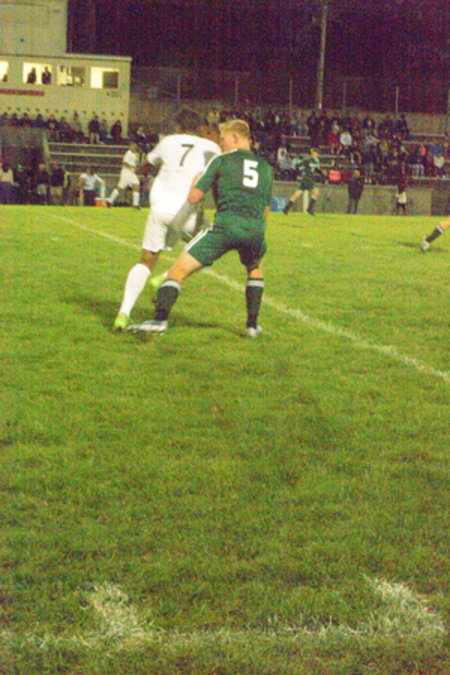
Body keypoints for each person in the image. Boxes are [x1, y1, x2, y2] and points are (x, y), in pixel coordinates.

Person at [126, 118, 273, 338]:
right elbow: (265, 211)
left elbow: (194, 197)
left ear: (235, 137)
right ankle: (252, 326)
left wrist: (196, 183)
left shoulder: (221, 160)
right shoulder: (266, 167)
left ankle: (159, 320)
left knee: (175, 273)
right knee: (254, 268)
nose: (221, 144)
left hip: (224, 228)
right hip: (255, 230)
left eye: (223, 139)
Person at [113, 108, 220, 331]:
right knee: (210, 247)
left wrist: (145, 169)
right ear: (200, 128)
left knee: (146, 261)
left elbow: (147, 164)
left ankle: (123, 314)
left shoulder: (169, 141)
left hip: (160, 210)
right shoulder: (211, 147)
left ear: (178, 127)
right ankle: (164, 277)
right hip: (188, 212)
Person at [283, 147, 322, 215]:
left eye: (317, 153)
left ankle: (286, 208)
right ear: (312, 153)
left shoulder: (316, 161)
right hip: (307, 178)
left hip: (309, 178)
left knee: (298, 193)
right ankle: (310, 209)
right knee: (316, 191)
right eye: (315, 152)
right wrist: (298, 173)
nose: (316, 154)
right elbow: (298, 165)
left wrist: (322, 174)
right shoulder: (308, 159)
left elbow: (317, 169)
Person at [106, 140, 141, 209]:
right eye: (132, 146)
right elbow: (124, 163)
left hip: (132, 173)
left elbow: (136, 163)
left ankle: (135, 204)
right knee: (120, 187)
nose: (134, 147)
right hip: (126, 173)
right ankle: (109, 201)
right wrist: (132, 167)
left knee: (137, 186)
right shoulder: (128, 153)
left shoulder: (136, 154)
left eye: (135, 146)